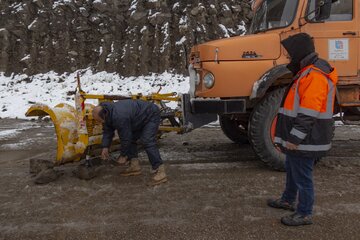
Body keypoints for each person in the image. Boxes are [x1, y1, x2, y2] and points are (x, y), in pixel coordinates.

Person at [268, 33, 338, 226]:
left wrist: (295, 138)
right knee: (292, 168)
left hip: (307, 139)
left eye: (291, 54)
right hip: (302, 138)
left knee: (302, 176)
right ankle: (288, 199)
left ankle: (304, 212)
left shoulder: (314, 76)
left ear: (299, 52)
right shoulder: (306, 72)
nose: (289, 58)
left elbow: (309, 113)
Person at [92, 99, 168, 186]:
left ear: (104, 115)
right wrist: (105, 147)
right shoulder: (107, 112)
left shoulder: (119, 116)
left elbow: (125, 138)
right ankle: (134, 166)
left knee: (147, 140)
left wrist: (123, 155)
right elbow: (107, 131)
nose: (99, 123)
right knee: (131, 139)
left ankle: (160, 171)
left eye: (99, 121)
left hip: (151, 114)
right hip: (138, 117)